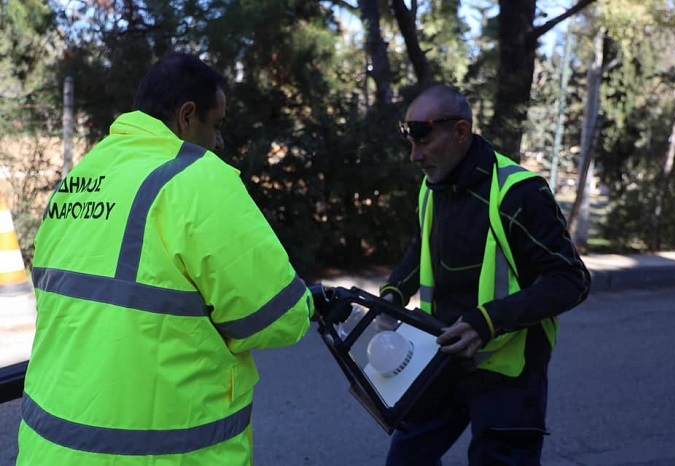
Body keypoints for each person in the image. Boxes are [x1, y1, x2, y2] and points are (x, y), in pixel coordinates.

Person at [17, 52, 314, 465]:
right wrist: (308, 302)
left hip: (46, 448)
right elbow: (278, 317)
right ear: (187, 116)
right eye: (218, 125)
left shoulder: (82, 178)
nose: (220, 142)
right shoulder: (197, 177)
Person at [378, 84, 590, 465]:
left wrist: (486, 322)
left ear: (460, 132)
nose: (414, 154)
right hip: (441, 358)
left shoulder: (518, 192)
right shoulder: (433, 186)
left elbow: (571, 280)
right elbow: (419, 246)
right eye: (409, 139)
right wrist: (394, 293)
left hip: (510, 376)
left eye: (423, 138)